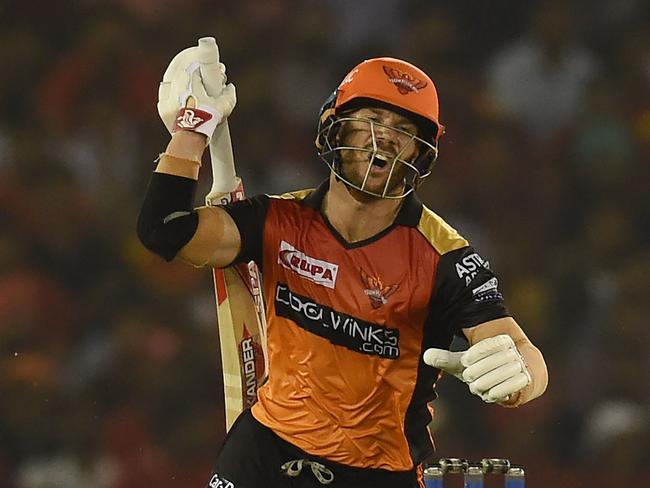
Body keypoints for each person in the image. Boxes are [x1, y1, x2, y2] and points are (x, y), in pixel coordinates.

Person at [137, 44, 548, 488]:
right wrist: (193, 128)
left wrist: (520, 378)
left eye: (403, 129)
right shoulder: (277, 220)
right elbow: (164, 231)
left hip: (375, 472)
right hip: (264, 451)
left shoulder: (445, 257)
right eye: (371, 120)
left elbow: (520, 351)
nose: (384, 137)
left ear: (420, 154)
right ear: (332, 131)